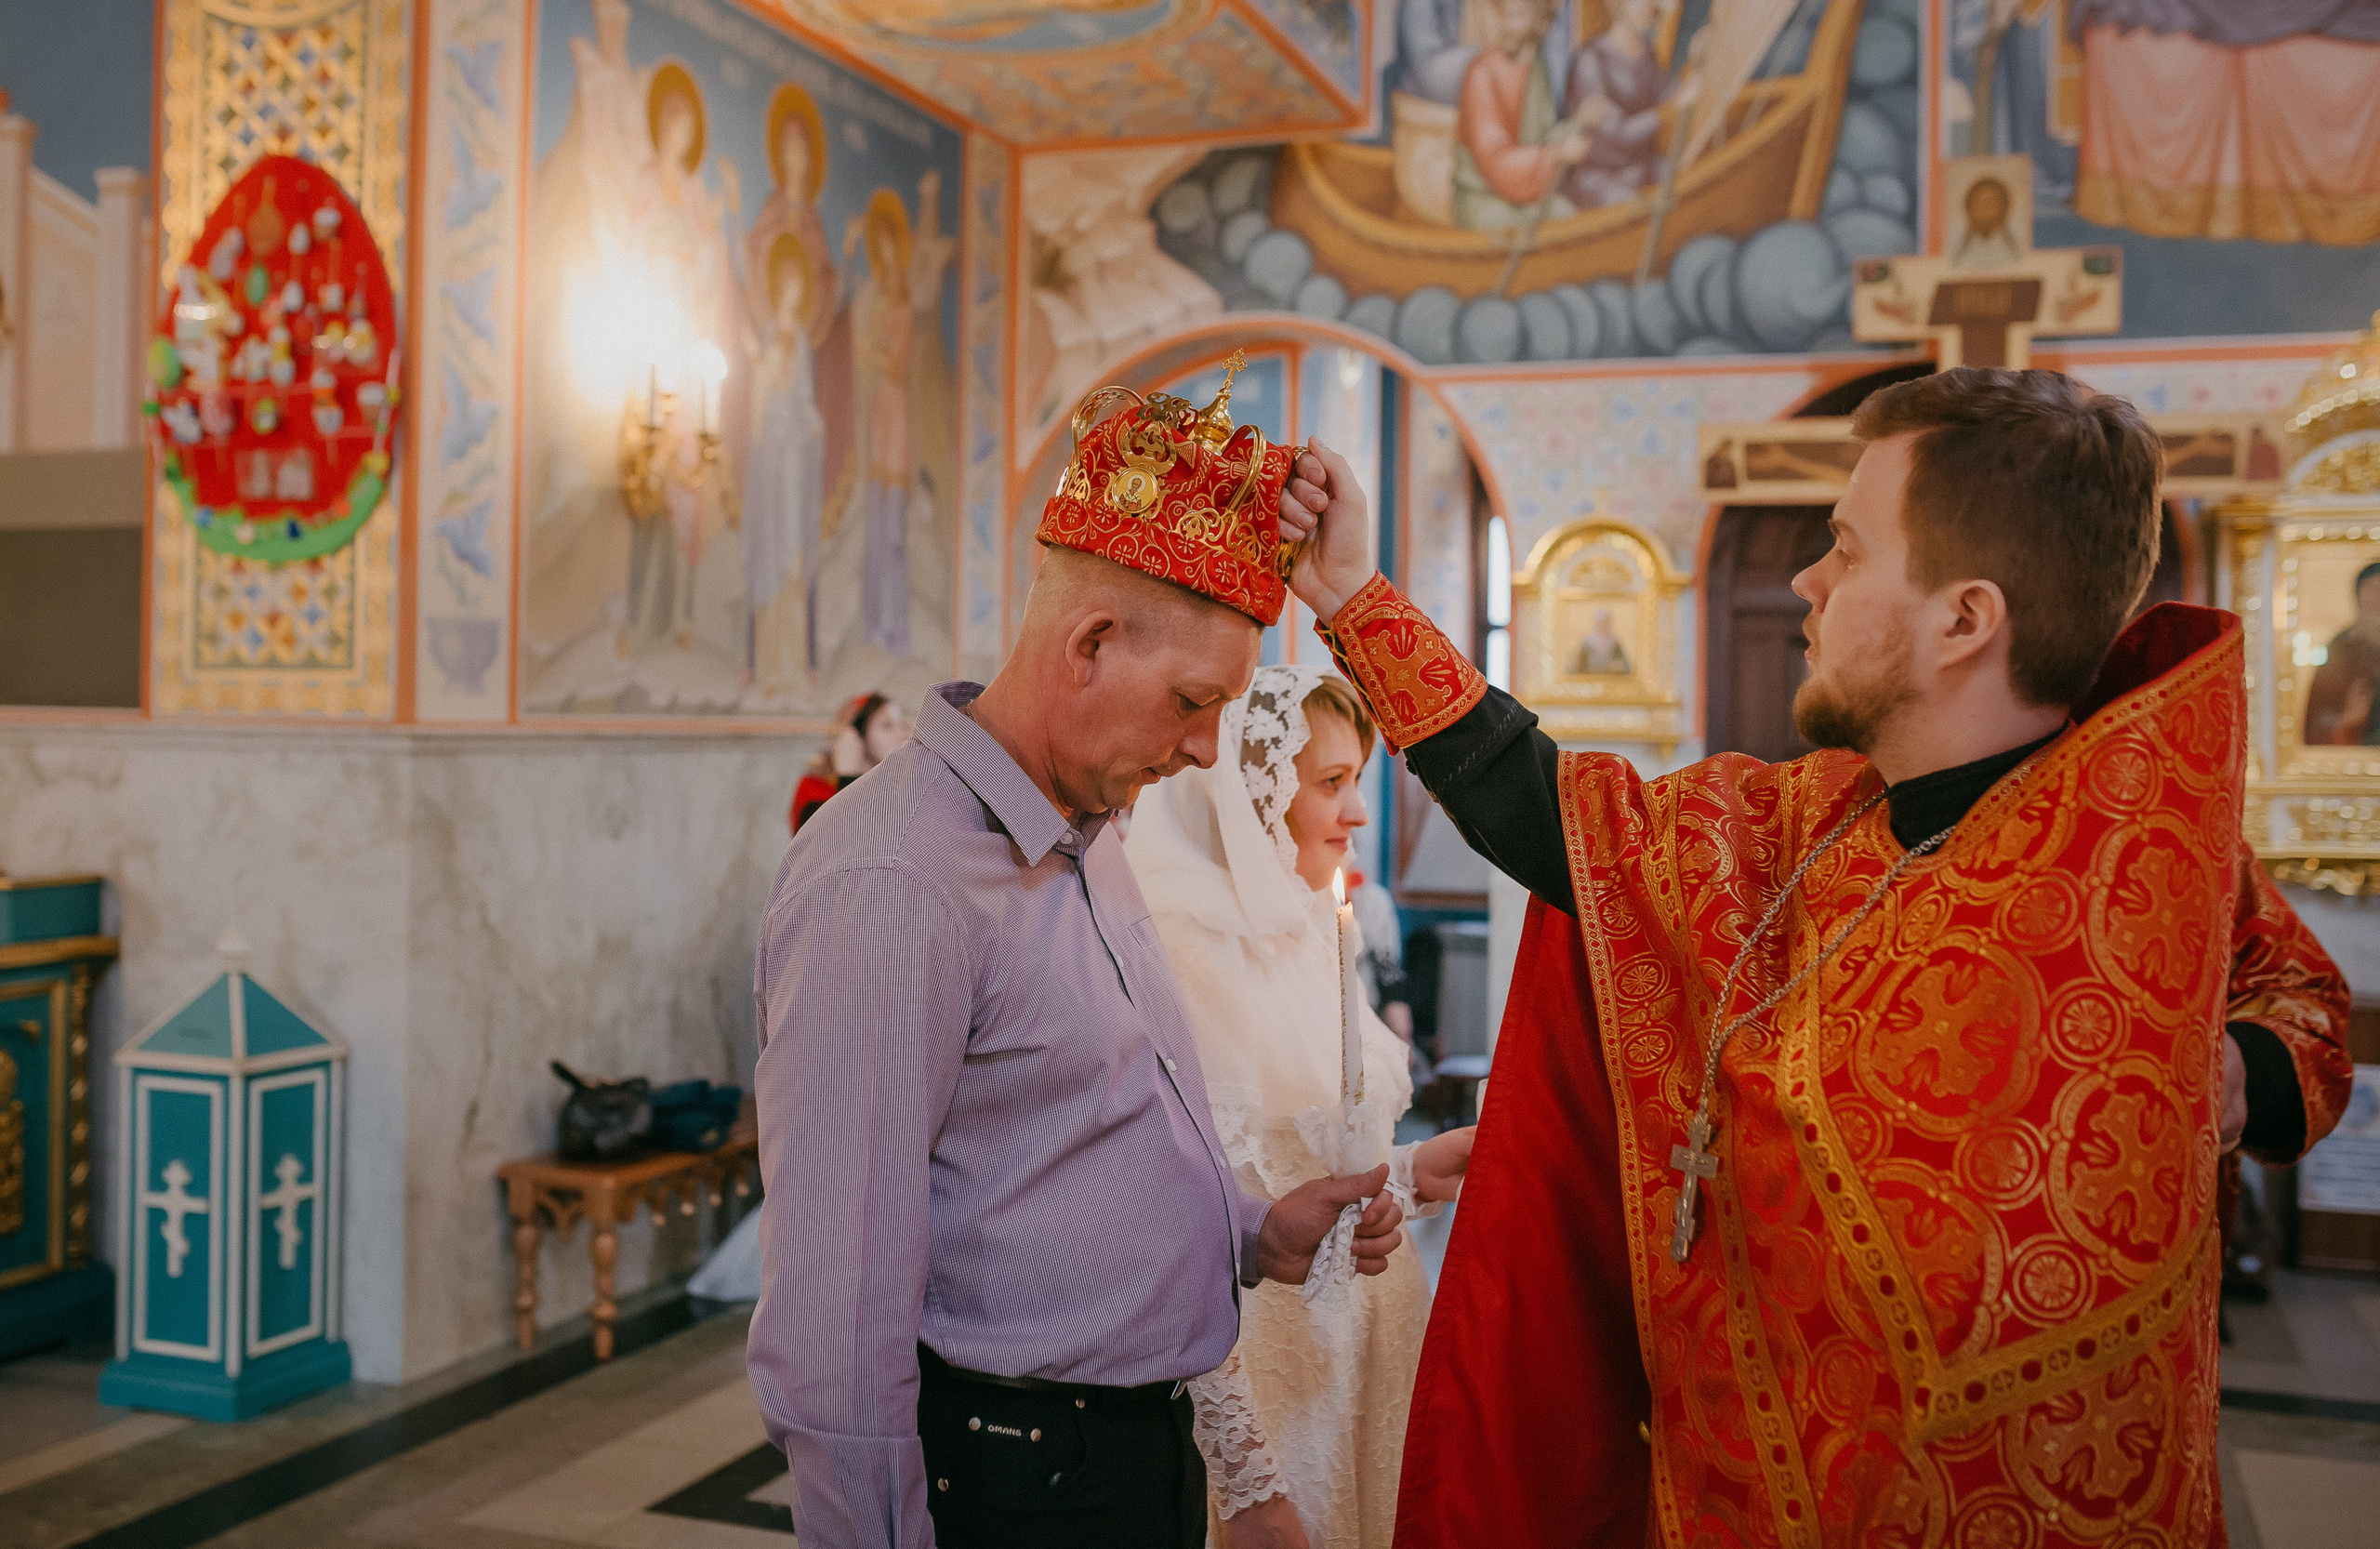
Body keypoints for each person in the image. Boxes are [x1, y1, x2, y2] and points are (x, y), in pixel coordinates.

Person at [1275, 367, 2355, 1545]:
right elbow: (1563, 822)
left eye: (1843, 549)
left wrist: (2229, 1072)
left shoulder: (2144, 842)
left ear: (1963, 618)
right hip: (1757, 1474)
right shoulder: (1804, 820)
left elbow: (2306, 1009)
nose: (1806, 580)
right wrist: (1347, 592)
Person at [750, 370, 1406, 1549]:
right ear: (1090, 644)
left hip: (1128, 1450)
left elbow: (1069, 1143)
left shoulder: (1091, 828)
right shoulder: (894, 882)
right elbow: (833, 1325)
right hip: (1015, 1476)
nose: (1209, 750)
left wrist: (1250, 1228)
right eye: (1193, 702)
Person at [1124, 667, 1474, 1549]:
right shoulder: (1176, 951)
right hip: (1267, 1390)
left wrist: (1409, 1173)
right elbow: (1176, 1234)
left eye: (1357, 779)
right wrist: (1245, 1480)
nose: (1358, 814)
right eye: (1331, 784)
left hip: (1367, 1349)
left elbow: (1303, 1164)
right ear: (1245, 797)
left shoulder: (1315, 925)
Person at [1453, 0, 1592, 231]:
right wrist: (1557, 155)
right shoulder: (1482, 73)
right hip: (1483, 194)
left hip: (1526, 190)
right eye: (1510, 13)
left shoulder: (1536, 63)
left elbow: (1542, 137)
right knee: (1512, 229)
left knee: (1567, 216)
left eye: (1521, 12)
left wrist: (1579, 122)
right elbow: (1495, 162)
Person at [790, 694, 910, 835]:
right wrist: (847, 776)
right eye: (887, 726)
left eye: (901, 725)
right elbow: (838, 844)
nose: (902, 735)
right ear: (856, 735)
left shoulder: (897, 784)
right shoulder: (815, 788)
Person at [2301, 562, 2380, 745]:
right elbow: (2316, 720)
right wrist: (2346, 718)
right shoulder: (2341, 648)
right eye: (2371, 590)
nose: (2377, 597)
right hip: (2351, 754)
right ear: (2359, 596)